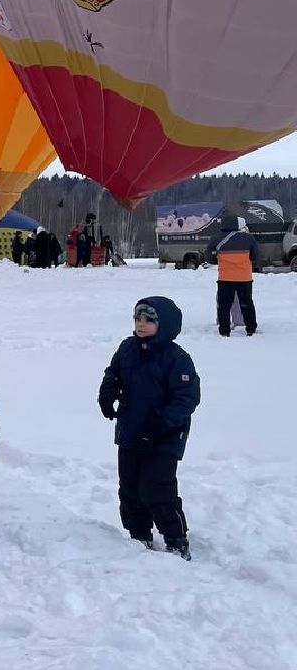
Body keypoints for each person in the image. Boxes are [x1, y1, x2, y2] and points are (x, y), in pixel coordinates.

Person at [99, 297, 200, 559]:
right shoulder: (128, 348)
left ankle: (176, 538)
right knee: (130, 487)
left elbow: (187, 397)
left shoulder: (177, 359)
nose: (141, 325)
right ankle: (138, 535)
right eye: (137, 319)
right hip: (131, 432)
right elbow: (114, 373)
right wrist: (107, 392)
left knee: (157, 487)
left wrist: (159, 424)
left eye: (148, 320)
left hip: (163, 437)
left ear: (164, 325)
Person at [206, 214, 258, 336]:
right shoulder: (249, 238)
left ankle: (224, 331)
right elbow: (256, 256)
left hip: (225, 278)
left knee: (224, 305)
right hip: (244, 278)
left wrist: (219, 260)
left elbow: (209, 257)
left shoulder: (216, 239)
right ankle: (251, 329)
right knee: (247, 303)